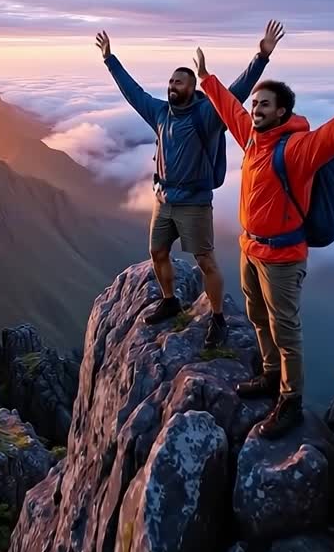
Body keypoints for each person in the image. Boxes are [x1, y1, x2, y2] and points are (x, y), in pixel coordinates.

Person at [193, 46, 334, 437]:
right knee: (259, 318)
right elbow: (231, 110)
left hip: (282, 258)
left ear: (282, 112)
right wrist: (207, 80)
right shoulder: (251, 138)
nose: (256, 109)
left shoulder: (297, 149)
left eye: (264, 104)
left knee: (285, 331)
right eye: (256, 103)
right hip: (251, 248)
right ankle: (268, 375)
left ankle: (290, 400)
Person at [95, 22, 286, 349]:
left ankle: (217, 318)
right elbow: (133, 92)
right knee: (157, 252)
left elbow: (234, 94)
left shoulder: (207, 115)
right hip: (164, 199)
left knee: (206, 261)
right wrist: (109, 59)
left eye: (178, 82)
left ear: (190, 87)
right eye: (170, 81)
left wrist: (261, 57)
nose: (171, 86)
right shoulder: (159, 112)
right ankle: (170, 300)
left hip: (195, 203)